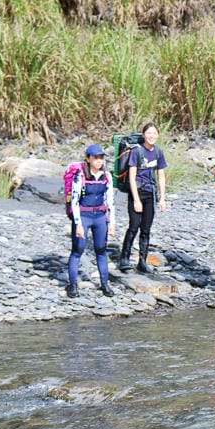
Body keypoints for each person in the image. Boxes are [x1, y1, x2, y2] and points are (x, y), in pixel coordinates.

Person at [67, 144, 116, 298]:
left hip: (100, 217)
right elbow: (74, 201)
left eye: (101, 158)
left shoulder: (107, 176)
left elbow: (110, 201)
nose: (99, 161)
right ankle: (73, 285)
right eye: (95, 158)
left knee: (101, 250)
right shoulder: (80, 176)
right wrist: (78, 224)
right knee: (78, 250)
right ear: (88, 159)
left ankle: (105, 284)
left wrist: (112, 222)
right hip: (84, 217)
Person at [119, 122, 167, 274]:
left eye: (154, 133)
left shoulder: (158, 152)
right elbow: (132, 177)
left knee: (146, 229)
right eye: (149, 133)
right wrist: (136, 200)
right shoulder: (137, 151)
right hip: (137, 193)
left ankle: (142, 262)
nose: (151, 136)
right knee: (134, 226)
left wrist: (162, 198)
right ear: (144, 134)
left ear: (158, 135)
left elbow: (161, 176)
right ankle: (124, 259)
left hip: (150, 195)